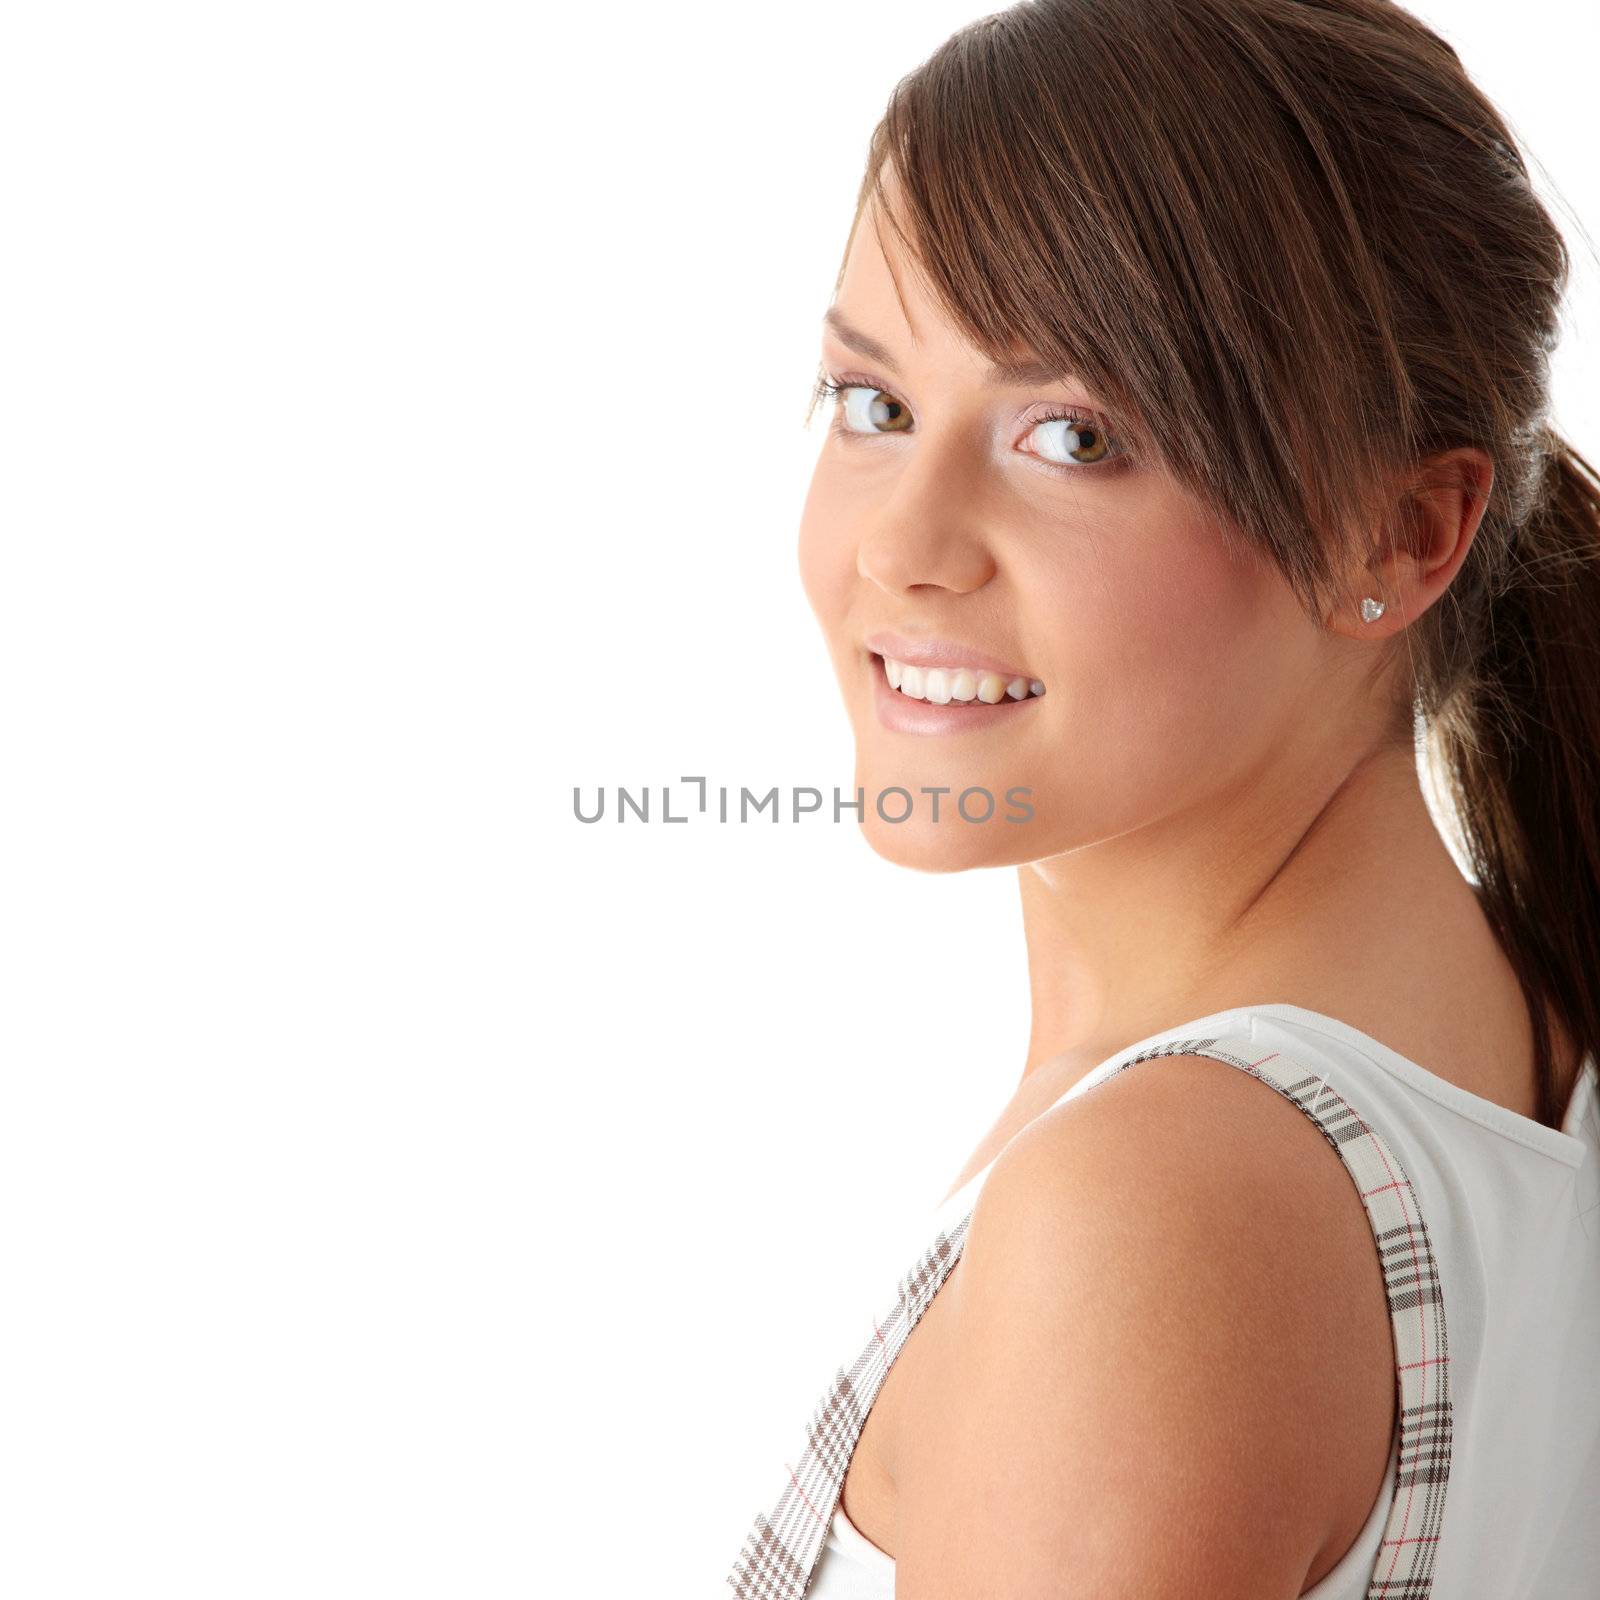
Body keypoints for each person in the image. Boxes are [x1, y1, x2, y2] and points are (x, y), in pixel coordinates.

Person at [725, 0, 1600, 1595]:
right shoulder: (1528, 1032)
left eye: (1075, 435)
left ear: (1400, 536)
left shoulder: (1155, 1214)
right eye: (875, 404)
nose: (903, 545)